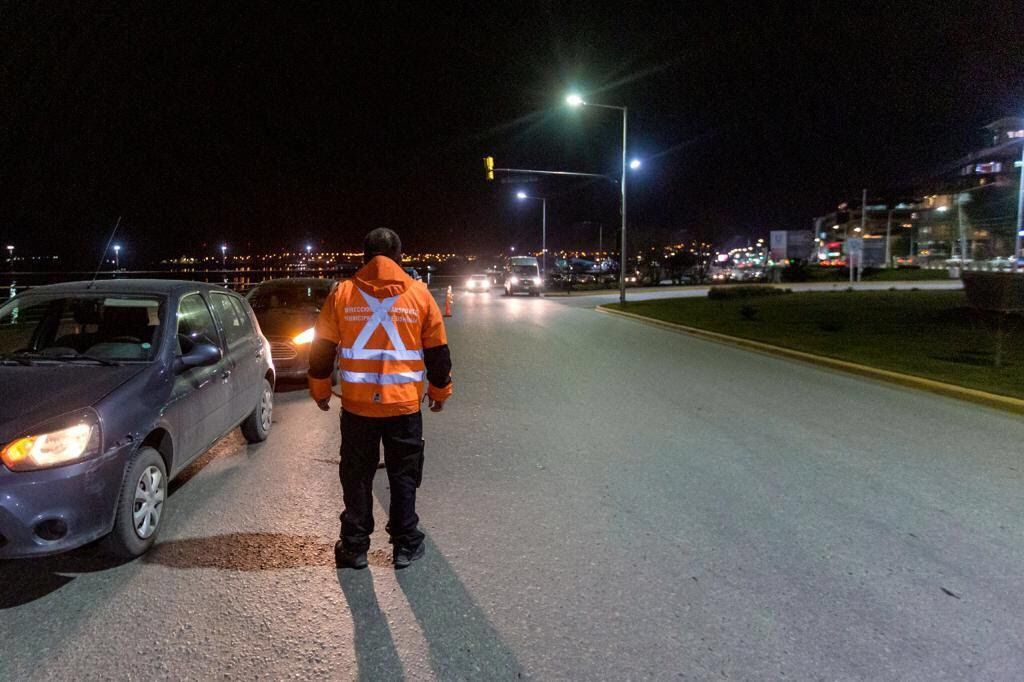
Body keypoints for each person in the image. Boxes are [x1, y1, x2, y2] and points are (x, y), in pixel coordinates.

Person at [308, 228, 452, 569]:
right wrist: (439, 390)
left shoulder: (341, 294)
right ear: (400, 256)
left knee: (357, 474)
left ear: (365, 257)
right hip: (403, 406)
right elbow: (438, 352)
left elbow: (321, 349)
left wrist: (320, 389)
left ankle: (355, 546)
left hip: (358, 407)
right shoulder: (419, 295)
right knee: (403, 473)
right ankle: (405, 543)